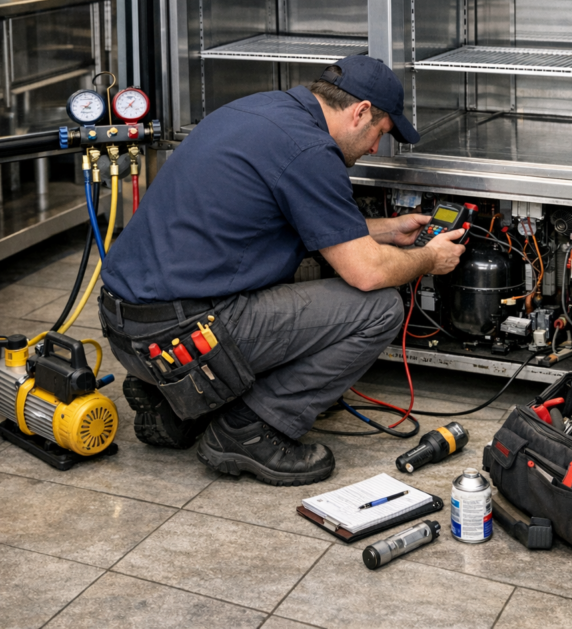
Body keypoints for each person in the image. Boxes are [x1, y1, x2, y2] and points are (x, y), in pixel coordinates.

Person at [98, 55, 466, 486]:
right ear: (361, 111)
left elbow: (290, 220)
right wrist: (430, 258)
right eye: (379, 134)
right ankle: (247, 429)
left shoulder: (257, 110)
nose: (373, 149)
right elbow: (367, 273)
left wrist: (389, 230)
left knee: (305, 268)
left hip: (127, 330)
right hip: (186, 336)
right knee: (379, 308)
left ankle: (175, 402)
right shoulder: (309, 149)